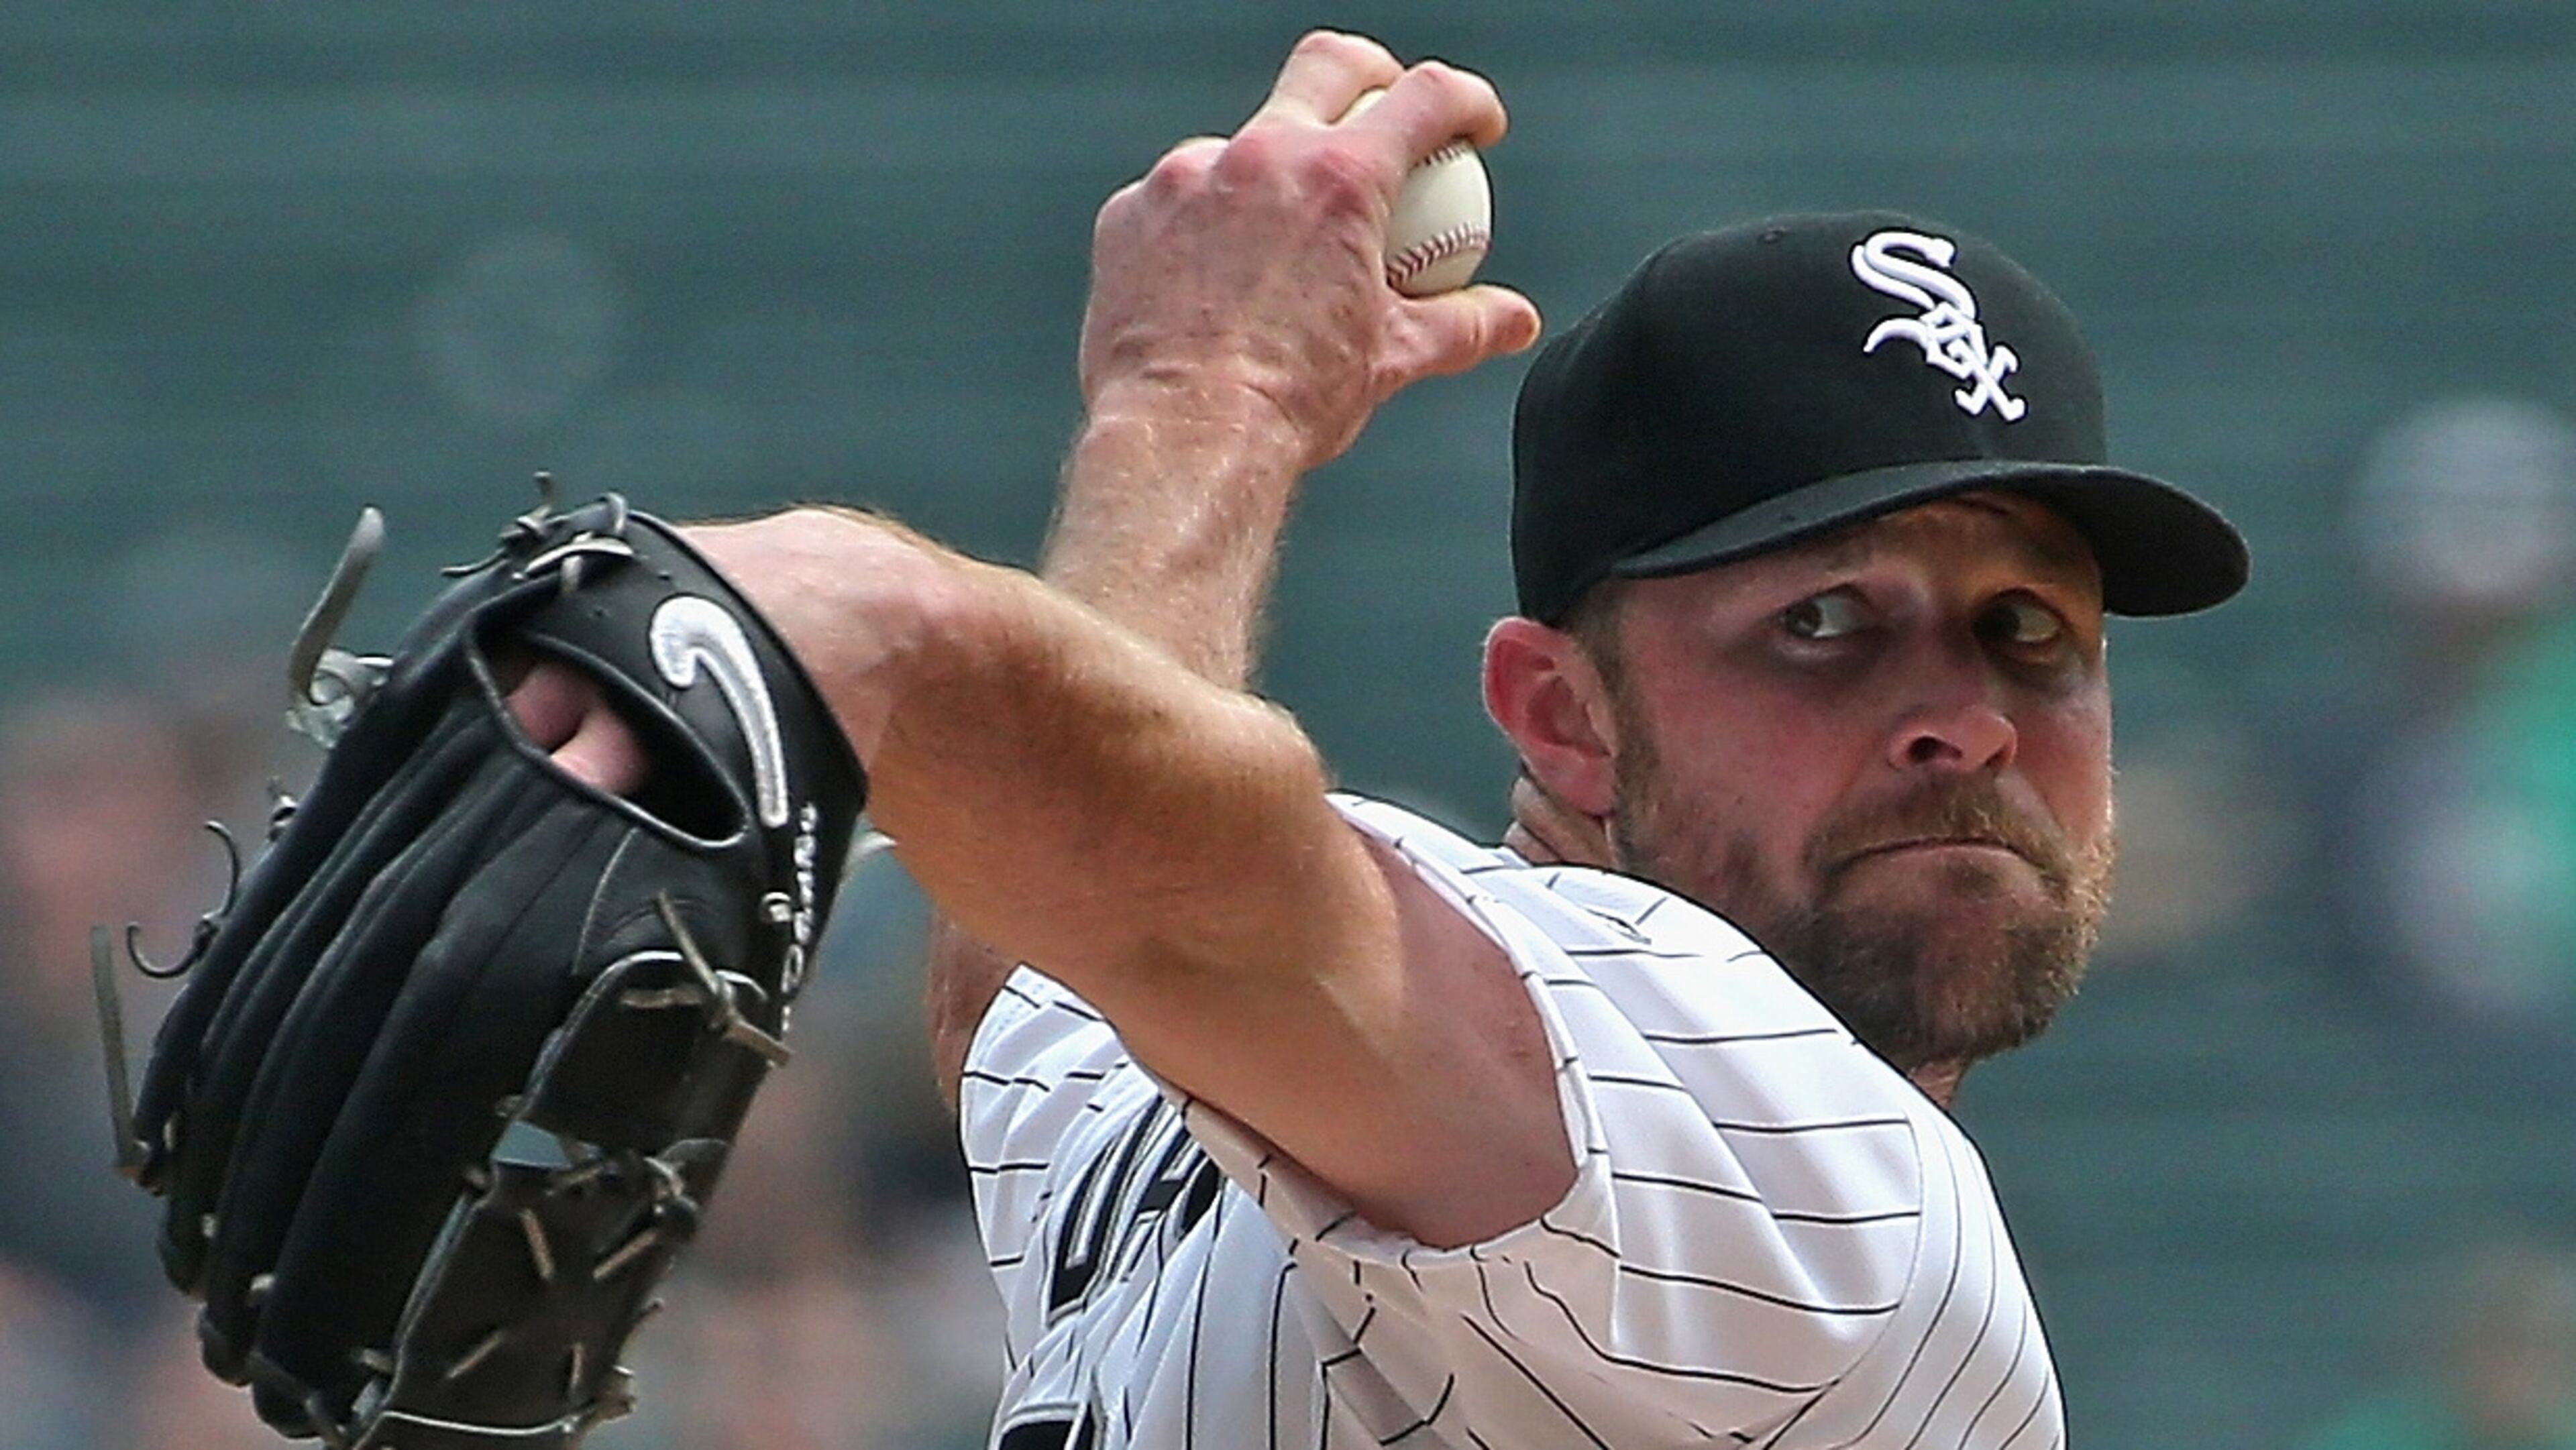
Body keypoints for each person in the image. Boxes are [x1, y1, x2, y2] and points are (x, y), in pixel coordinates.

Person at [511, 31, 2249, 1449]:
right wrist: (1185, 419)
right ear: (1563, 715)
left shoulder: (1735, 1168)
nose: (1964, 714)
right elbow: (1123, 908)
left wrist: (1197, 413)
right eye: (1826, 626)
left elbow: (1066, 945)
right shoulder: (1807, 1183)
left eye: (2035, 630)